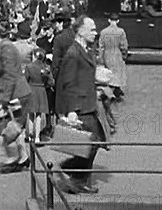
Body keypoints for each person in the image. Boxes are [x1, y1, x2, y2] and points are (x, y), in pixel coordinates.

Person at [55, 16, 109, 194]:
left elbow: (85, 75)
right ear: (80, 31)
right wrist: (71, 111)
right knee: (92, 143)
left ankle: (78, 180)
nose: (95, 32)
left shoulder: (85, 50)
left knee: (94, 142)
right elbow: (68, 83)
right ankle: (70, 171)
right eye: (92, 29)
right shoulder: (73, 53)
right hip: (79, 106)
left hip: (89, 103)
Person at [0, 20, 32, 173]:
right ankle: (23, 157)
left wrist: (5, 98)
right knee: (15, 126)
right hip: (18, 94)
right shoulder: (4, 47)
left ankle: (13, 158)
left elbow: (10, 75)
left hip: (16, 95)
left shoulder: (6, 48)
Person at [25, 47, 55, 145]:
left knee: (30, 114)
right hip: (41, 91)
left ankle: (30, 135)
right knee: (38, 116)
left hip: (31, 89)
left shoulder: (29, 67)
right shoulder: (46, 68)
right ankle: (37, 137)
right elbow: (52, 82)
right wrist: (45, 84)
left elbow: (25, 80)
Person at [98, 12, 129, 101]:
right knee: (118, 73)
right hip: (117, 53)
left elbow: (101, 46)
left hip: (107, 54)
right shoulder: (121, 31)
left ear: (109, 20)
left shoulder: (103, 32)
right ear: (118, 21)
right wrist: (124, 54)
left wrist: (100, 57)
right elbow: (124, 45)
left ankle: (108, 91)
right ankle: (117, 91)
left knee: (108, 73)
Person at [50, 12, 75, 81]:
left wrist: (54, 76)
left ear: (60, 23)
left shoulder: (59, 38)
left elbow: (56, 61)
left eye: (56, 24)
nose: (55, 26)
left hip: (64, 73)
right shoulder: (75, 35)